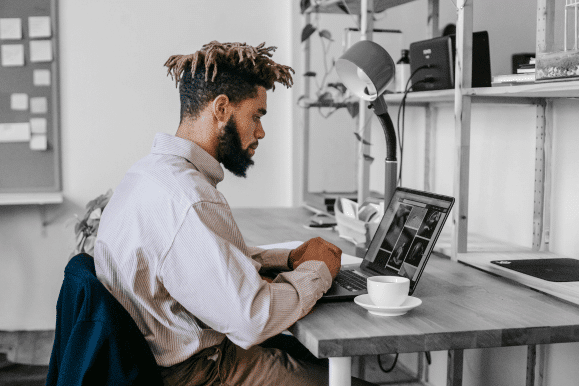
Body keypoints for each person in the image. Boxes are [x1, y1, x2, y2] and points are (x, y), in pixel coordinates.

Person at [94, 41, 376, 386]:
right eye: (256, 115)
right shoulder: (190, 199)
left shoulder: (147, 175)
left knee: (319, 360)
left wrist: (287, 258)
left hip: (169, 360)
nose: (260, 131)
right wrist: (319, 270)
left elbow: (203, 261)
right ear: (222, 108)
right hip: (203, 373)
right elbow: (252, 318)